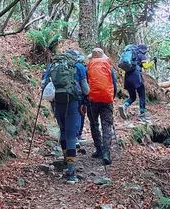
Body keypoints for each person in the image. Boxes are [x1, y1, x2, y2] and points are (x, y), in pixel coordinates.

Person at [41, 48, 90, 184]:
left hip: (57, 103)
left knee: (62, 131)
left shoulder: (52, 66)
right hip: (73, 104)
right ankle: (70, 172)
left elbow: (43, 85)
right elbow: (86, 90)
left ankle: (65, 157)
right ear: (74, 58)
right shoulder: (78, 66)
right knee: (71, 136)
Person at [86, 48, 117, 166]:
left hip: (92, 100)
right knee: (106, 125)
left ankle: (98, 149)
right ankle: (106, 152)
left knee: (94, 124)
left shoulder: (88, 67)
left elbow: (85, 84)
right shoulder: (108, 67)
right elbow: (114, 85)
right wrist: (110, 98)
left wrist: (85, 100)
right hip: (107, 100)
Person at [119, 43, 152, 120]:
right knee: (142, 95)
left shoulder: (132, 55)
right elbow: (146, 66)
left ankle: (124, 106)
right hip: (136, 76)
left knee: (132, 97)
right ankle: (142, 113)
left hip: (127, 76)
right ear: (143, 51)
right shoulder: (141, 55)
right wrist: (153, 61)